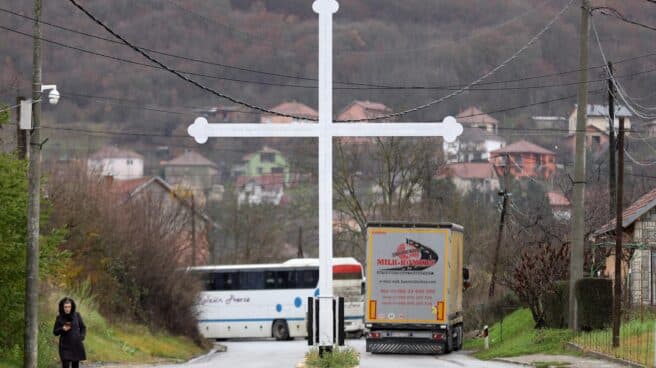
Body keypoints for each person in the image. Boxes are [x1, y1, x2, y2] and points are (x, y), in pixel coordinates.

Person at [53, 297, 87, 368]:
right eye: (65, 307)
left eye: (69, 307)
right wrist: (62, 329)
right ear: (62, 307)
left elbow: (83, 327)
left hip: (76, 345)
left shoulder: (77, 315)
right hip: (64, 346)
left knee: (75, 365)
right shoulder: (59, 317)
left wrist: (81, 337)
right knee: (65, 365)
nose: (67, 309)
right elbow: (55, 332)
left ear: (72, 307)